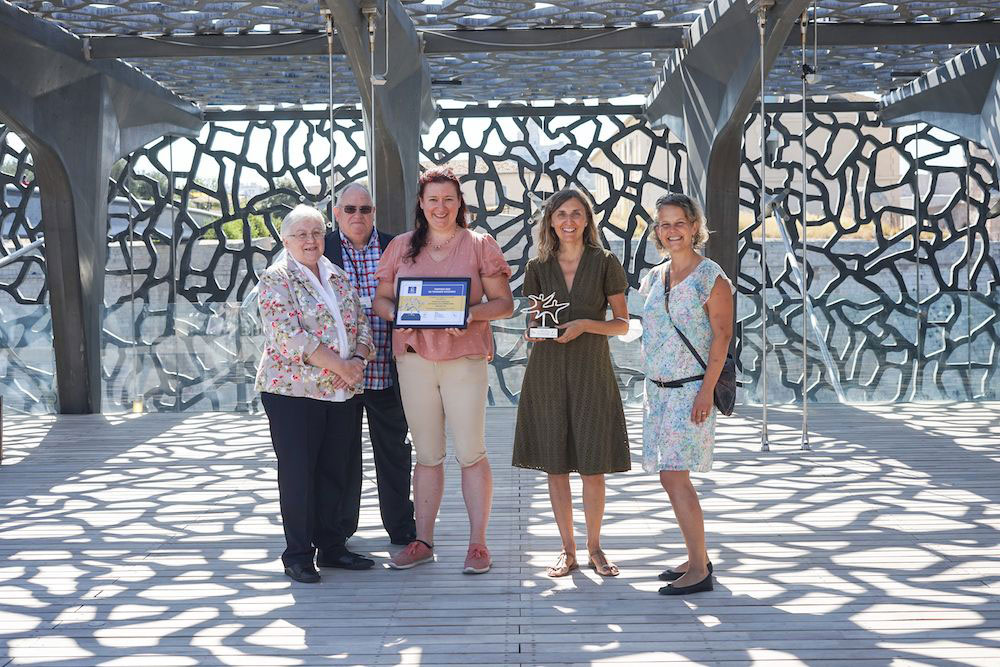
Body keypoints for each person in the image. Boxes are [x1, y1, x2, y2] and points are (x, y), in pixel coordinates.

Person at [373, 166, 514, 574]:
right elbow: (382, 301)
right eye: (432, 199)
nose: (440, 206)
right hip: (415, 360)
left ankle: (477, 545)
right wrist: (402, 314)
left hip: (464, 359)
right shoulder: (401, 246)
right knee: (428, 454)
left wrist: (468, 314)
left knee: (471, 452)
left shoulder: (478, 244)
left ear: (460, 203)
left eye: (448, 199)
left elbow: (503, 303)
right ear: (421, 204)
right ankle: (423, 541)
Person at [511, 188, 631, 578]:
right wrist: (532, 331)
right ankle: (568, 550)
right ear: (550, 221)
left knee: (592, 467)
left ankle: (595, 547)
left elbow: (622, 324)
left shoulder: (605, 262)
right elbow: (534, 321)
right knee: (556, 466)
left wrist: (583, 325)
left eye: (576, 214)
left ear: (587, 220)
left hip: (591, 371)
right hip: (546, 372)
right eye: (560, 214)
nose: (568, 221)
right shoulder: (537, 267)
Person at [255, 204, 376, 583]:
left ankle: (333, 546)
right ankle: (298, 554)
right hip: (294, 394)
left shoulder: (337, 276)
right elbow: (288, 336)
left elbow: (361, 325)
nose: (311, 240)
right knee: (298, 475)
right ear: (285, 240)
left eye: (317, 233)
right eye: (302, 234)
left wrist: (356, 359)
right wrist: (339, 365)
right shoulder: (275, 279)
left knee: (335, 472)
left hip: (342, 391)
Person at [638, 192, 734, 596]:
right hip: (656, 392)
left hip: (689, 391)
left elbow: (722, 337)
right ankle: (696, 555)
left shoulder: (711, 277)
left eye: (679, 222)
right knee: (670, 478)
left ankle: (699, 570)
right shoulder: (654, 276)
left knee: (675, 477)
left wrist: (705, 393)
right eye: (664, 224)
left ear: (695, 226)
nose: (672, 231)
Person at [324, 183, 417, 547]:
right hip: (341, 373)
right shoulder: (322, 247)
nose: (358, 216)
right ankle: (340, 529)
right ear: (337, 213)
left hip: (387, 371)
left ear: (374, 212)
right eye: (350, 209)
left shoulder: (397, 247)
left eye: (365, 209)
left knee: (394, 452)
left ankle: (401, 526)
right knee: (341, 457)